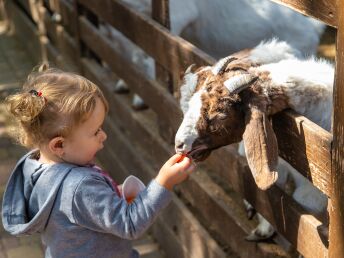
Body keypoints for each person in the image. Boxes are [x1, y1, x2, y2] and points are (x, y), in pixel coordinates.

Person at [1, 64, 194, 258]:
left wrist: (109, 195)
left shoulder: (34, 167)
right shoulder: (80, 187)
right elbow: (130, 224)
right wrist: (164, 183)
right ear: (59, 146)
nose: (104, 136)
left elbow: (72, 212)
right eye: (95, 131)